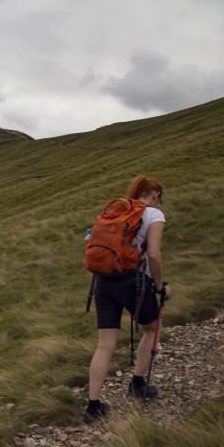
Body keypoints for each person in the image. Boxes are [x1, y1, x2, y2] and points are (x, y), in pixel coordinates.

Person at [83, 176, 171, 423]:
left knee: (104, 344)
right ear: (154, 192)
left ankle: (93, 406)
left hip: (102, 282)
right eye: (159, 195)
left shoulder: (115, 212)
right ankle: (137, 383)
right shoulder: (153, 215)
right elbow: (153, 255)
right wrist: (158, 286)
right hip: (134, 281)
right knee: (152, 328)